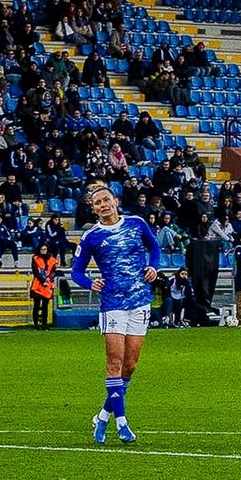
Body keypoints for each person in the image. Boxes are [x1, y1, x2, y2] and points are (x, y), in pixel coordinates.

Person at [70, 183, 160, 445]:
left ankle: (102, 416)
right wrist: (90, 283)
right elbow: (76, 271)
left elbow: (154, 248)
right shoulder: (92, 237)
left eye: (106, 200)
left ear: (115, 201)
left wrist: (154, 267)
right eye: (97, 203)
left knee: (130, 366)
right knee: (114, 362)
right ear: (93, 209)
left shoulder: (136, 223)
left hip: (140, 301)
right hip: (112, 304)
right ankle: (122, 424)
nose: (103, 205)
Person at [27, 230, 60, 329]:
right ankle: (36, 325)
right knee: (36, 305)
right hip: (37, 285)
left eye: (45, 249)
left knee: (45, 306)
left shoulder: (53, 260)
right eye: (42, 249)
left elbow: (54, 271)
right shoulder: (35, 258)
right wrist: (43, 280)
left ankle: (45, 324)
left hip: (48, 285)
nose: (43, 251)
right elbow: (35, 272)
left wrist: (48, 279)